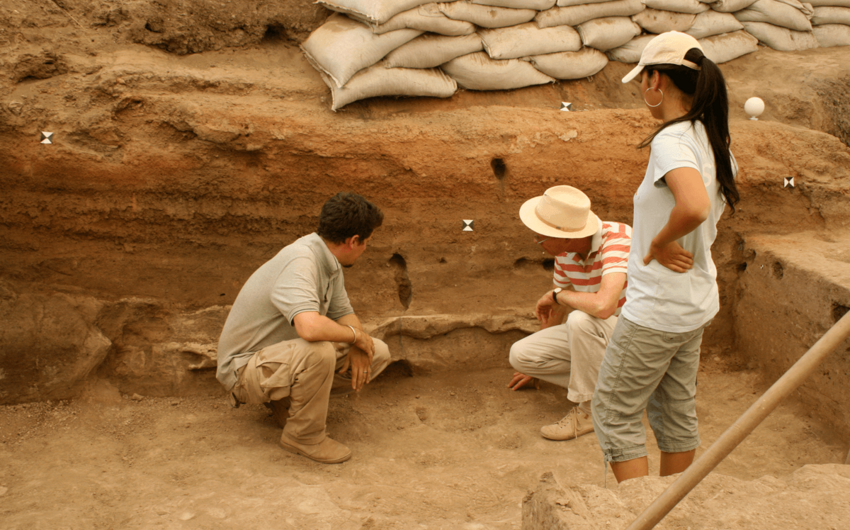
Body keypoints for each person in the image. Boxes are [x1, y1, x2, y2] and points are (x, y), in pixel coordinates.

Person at [591, 31, 741, 482]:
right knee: (675, 411)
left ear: (657, 79)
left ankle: (644, 513)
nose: (642, 90)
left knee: (614, 411)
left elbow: (693, 206)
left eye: (643, 79)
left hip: (656, 308)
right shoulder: (714, 141)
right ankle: (671, 506)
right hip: (692, 303)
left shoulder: (671, 140)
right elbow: (709, 209)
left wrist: (658, 241)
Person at [216, 192, 391, 464]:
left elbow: (344, 313)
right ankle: (303, 436)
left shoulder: (329, 263)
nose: (366, 248)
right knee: (319, 351)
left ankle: (286, 404)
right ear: (353, 240)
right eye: (366, 242)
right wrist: (355, 336)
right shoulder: (301, 261)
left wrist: (359, 341)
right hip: (243, 371)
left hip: (278, 360)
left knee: (376, 352)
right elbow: (309, 328)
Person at [508, 185, 631, 441]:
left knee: (582, 319)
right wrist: (536, 368)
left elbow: (603, 305)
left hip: (636, 337)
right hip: (605, 337)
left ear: (565, 236)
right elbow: (558, 307)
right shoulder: (567, 251)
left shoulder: (619, 240)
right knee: (522, 355)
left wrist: (557, 295)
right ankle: (620, 395)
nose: (535, 241)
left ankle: (590, 411)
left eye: (541, 236)